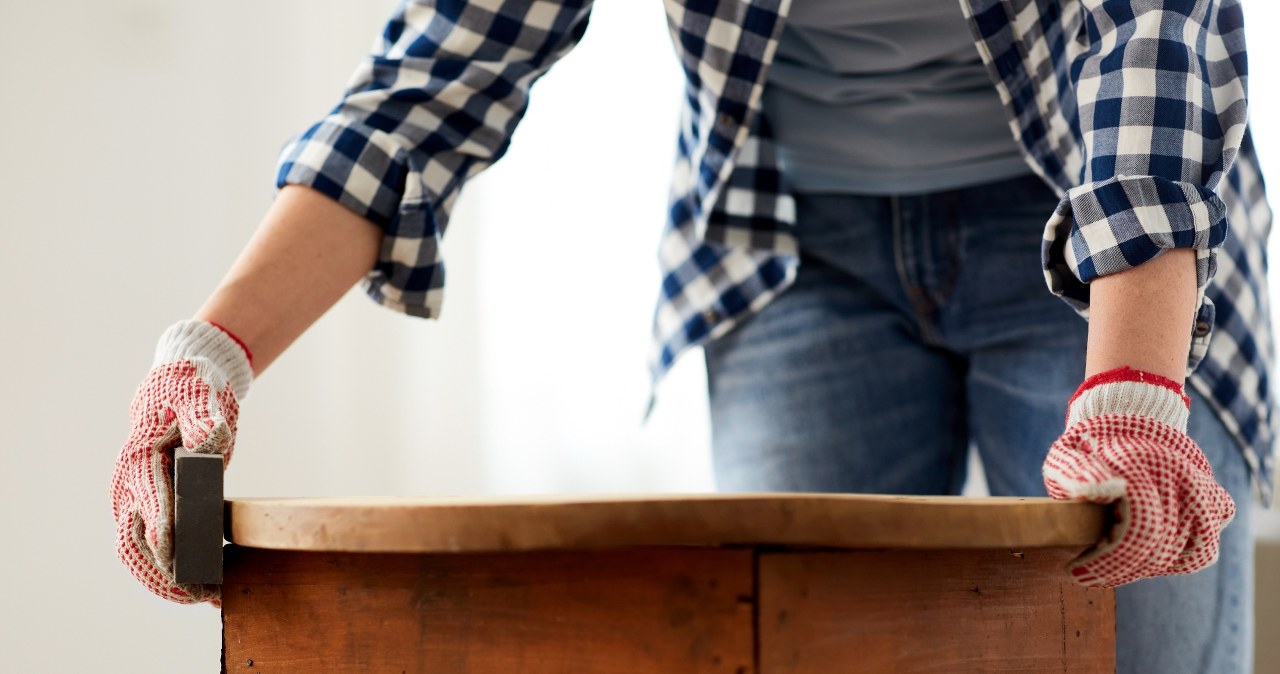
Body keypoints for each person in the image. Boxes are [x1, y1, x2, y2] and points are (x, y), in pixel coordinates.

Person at [111, 0, 1271, 671]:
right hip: (792, 242)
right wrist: (210, 350)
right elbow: (432, 80)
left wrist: (1129, 380)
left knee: (1136, 649)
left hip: (1100, 232)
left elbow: (1149, 46)